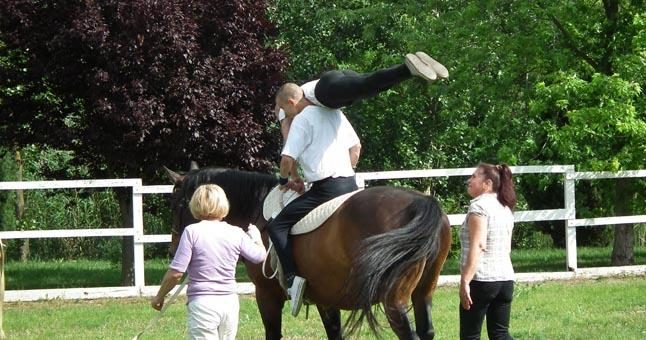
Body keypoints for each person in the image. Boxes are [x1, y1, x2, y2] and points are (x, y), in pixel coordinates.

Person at [267, 83, 362, 317]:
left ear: (291, 102)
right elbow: (356, 148)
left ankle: (292, 280)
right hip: (350, 183)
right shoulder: (333, 111)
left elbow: (287, 158)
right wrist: (346, 169)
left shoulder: (301, 119)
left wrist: (283, 181)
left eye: (282, 109)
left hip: (326, 189)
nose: (284, 115)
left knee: (276, 226)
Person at [151, 184, 266, 340]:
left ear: (196, 204)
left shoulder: (192, 232)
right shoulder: (236, 232)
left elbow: (176, 273)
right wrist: (257, 238)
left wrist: (159, 296)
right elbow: (260, 256)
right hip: (229, 303)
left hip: (202, 304)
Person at [459, 163, 517, 340]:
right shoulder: (505, 208)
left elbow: (479, 245)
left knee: (470, 336)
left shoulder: (479, 207)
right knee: (500, 334)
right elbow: (507, 247)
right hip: (505, 279)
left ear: (487, 183)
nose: (469, 180)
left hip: (482, 280)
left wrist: (465, 281)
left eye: (474, 176)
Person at [279, 51, 448, 111]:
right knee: (372, 87)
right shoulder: (291, 100)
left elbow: (288, 138)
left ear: (287, 103)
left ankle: (407, 69)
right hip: (335, 79)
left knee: (367, 86)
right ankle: (417, 66)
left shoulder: (283, 110)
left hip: (326, 91)